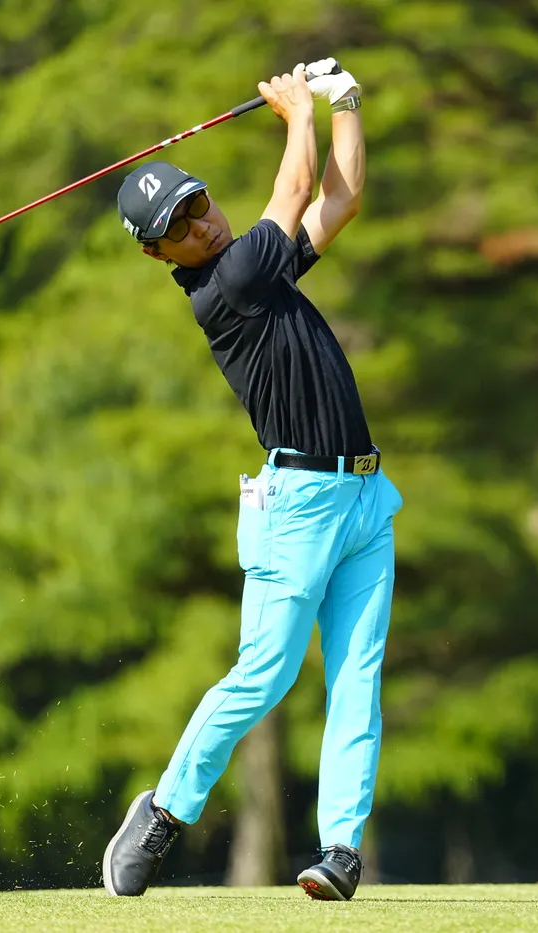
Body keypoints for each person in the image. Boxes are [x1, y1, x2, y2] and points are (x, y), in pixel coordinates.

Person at [101, 58, 401, 902]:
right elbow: (296, 185)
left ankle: (340, 847)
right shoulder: (226, 283)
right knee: (265, 673)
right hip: (297, 506)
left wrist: (345, 101)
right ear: (159, 253)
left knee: (358, 677)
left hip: (364, 498)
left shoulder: (259, 266)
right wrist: (297, 112)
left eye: (198, 204)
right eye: (179, 226)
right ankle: (165, 808)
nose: (201, 225)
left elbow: (339, 199)